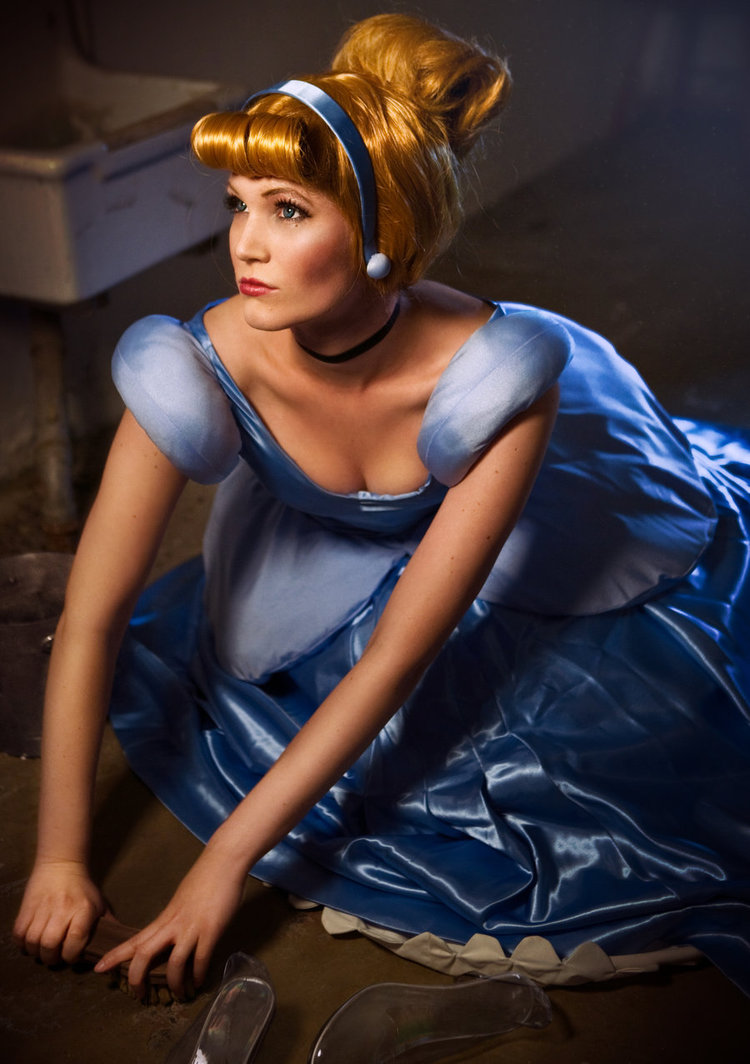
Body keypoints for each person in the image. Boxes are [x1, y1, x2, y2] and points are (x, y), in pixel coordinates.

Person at [13, 13, 750, 1004]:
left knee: (613, 732)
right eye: (238, 204)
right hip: (314, 547)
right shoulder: (196, 364)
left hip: (531, 508)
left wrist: (222, 865)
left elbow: (402, 651)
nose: (245, 244)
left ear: (378, 228)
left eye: (287, 210)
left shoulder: (496, 380)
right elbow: (93, 614)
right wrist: (58, 859)